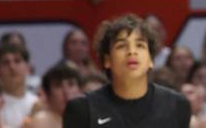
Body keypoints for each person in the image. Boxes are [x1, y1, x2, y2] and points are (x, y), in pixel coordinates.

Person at [62, 14, 190, 128]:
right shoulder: (82, 109)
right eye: (121, 46)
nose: (131, 52)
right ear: (107, 60)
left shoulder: (177, 105)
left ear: (150, 59)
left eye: (140, 45)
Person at [25, 63, 82, 128]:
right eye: (58, 86)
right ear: (47, 95)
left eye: (71, 84)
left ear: (80, 90)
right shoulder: (41, 122)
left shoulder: (87, 118)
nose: (66, 91)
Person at [0, 43, 38, 128]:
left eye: (17, 61)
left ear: (27, 67)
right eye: (6, 63)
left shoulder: (37, 103)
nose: (12, 67)